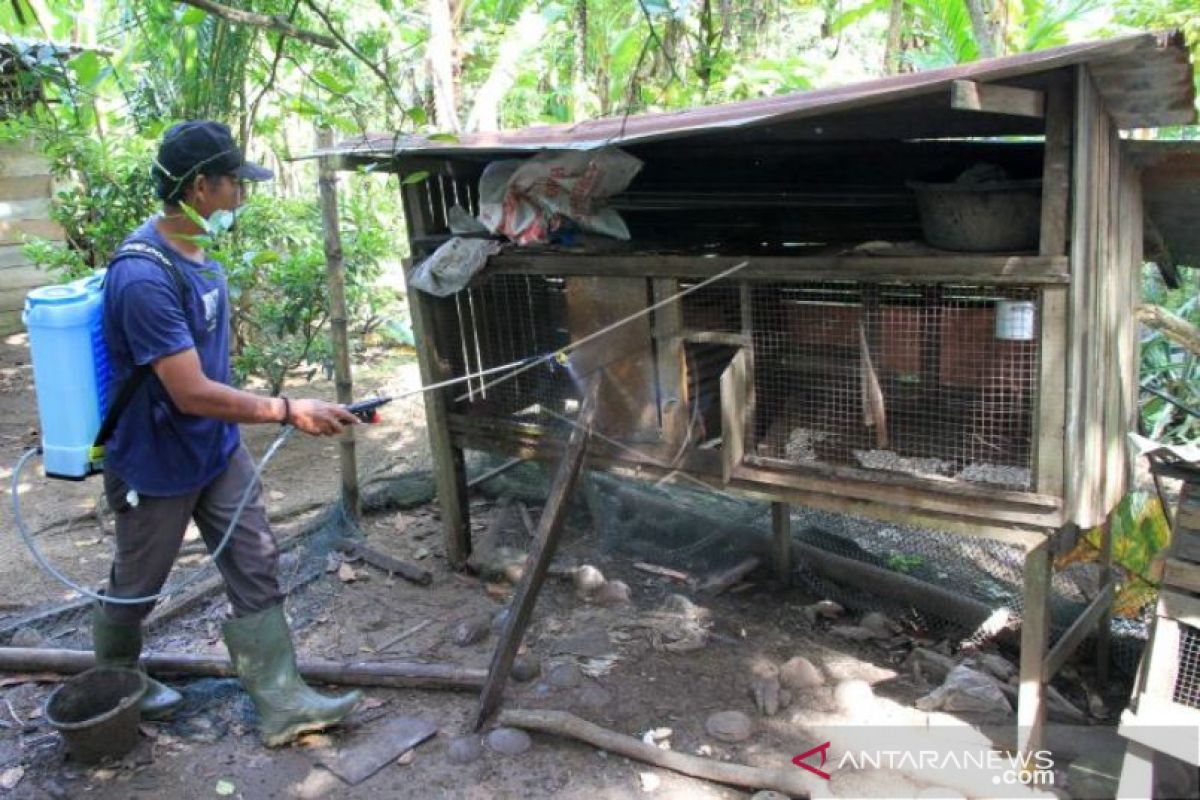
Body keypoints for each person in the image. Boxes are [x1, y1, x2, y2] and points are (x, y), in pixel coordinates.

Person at [93, 120, 362, 746]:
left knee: (255, 559)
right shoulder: (142, 276)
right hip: (157, 459)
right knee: (138, 585)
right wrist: (288, 408)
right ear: (197, 187)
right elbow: (187, 389)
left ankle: (284, 701)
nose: (241, 193)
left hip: (214, 448)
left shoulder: (198, 256)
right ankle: (116, 681)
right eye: (232, 182)